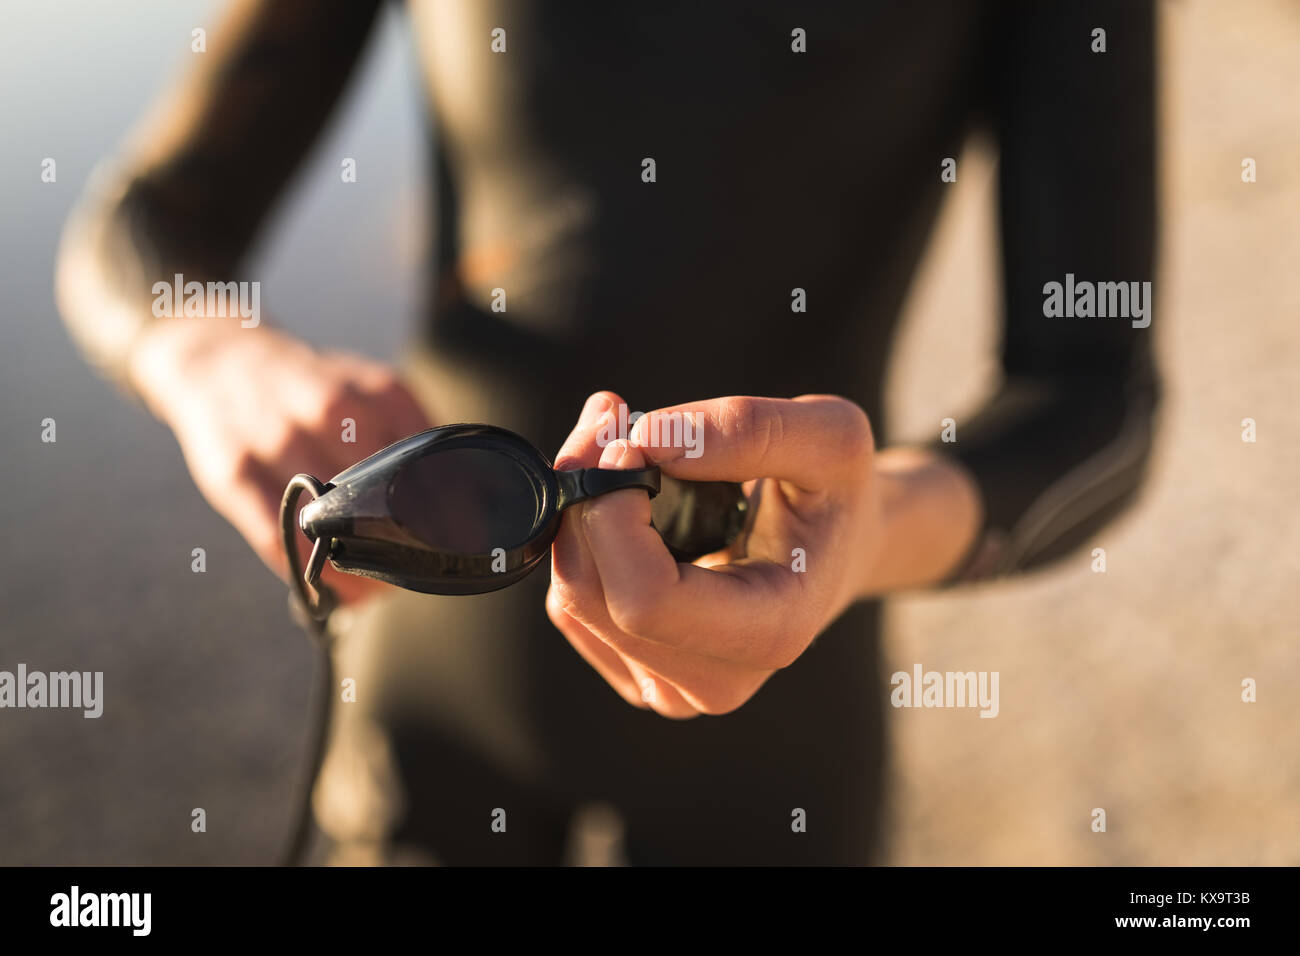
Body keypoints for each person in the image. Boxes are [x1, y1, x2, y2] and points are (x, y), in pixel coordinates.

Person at [56, 0, 1160, 865]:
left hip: (777, 698)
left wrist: (866, 530)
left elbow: (1093, 392)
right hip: (428, 663)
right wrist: (208, 353)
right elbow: (141, 221)